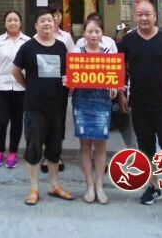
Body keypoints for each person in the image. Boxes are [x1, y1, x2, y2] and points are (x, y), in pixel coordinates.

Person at [117, 1, 162, 212]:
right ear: (134, 17)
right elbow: (119, 67)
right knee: (145, 147)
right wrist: (122, 94)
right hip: (139, 103)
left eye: (147, 14)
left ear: (155, 16)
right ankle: (153, 186)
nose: (144, 18)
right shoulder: (128, 40)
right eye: (140, 14)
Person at [12, 8, 74, 206]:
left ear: (55, 24)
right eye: (43, 20)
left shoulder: (61, 47)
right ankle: (34, 188)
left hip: (57, 106)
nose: (47, 23)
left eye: (50, 20)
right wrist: (28, 86)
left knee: (55, 148)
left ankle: (54, 185)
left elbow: (68, 72)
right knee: (34, 147)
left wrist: (68, 81)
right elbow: (15, 70)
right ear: (36, 25)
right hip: (35, 107)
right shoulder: (28, 47)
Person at [70, 17, 118, 204]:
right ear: (84, 33)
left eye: (97, 31)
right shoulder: (77, 53)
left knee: (100, 145)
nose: (93, 35)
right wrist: (69, 82)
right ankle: (89, 185)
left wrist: (114, 87)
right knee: (84, 144)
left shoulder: (108, 54)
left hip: (101, 102)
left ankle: (99, 186)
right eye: (90, 31)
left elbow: (115, 80)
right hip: (81, 102)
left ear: (102, 33)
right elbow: (71, 82)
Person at [0, 10, 30, 169]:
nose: (13, 23)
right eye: (9, 20)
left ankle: (13, 152)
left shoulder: (28, 42)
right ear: (5, 23)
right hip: (1, 86)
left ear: (20, 22)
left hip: (21, 87)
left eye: (16, 20)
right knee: (1, 120)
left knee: (17, 121)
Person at [39, 3, 75, 173]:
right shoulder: (38, 36)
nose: (56, 18)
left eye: (59, 15)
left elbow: (72, 59)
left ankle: (56, 154)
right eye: (53, 15)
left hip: (61, 86)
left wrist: (71, 80)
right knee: (44, 120)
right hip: (43, 87)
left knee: (59, 120)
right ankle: (46, 154)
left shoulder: (66, 37)